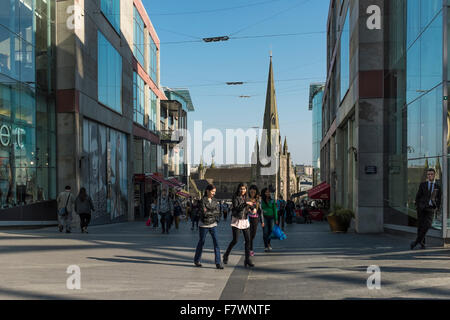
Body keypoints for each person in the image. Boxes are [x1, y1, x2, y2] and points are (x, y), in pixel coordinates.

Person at [223, 183, 254, 268]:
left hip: (244, 220)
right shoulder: (235, 197)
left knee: (248, 240)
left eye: (244, 189)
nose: (242, 190)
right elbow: (237, 208)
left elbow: (249, 206)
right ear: (238, 189)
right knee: (235, 240)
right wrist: (245, 203)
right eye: (241, 189)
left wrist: (252, 208)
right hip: (236, 220)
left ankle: (247, 259)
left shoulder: (246, 197)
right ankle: (226, 254)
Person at [411, 168, 442, 250]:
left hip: (431, 208)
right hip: (421, 208)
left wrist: (437, 209)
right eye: (428, 174)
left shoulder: (438, 186)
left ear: (434, 175)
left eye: (431, 174)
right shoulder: (423, 184)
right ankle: (422, 243)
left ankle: (416, 241)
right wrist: (418, 205)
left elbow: (439, 199)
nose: (430, 176)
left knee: (427, 225)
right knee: (420, 226)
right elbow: (418, 196)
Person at [194, 184, 224, 269]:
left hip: (213, 224)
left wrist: (210, 212)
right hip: (203, 224)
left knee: (216, 242)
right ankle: (197, 260)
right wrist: (212, 212)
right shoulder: (202, 201)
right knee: (201, 242)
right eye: (212, 191)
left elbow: (218, 212)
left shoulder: (215, 200)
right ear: (207, 191)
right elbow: (204, 213)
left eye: (214, 192)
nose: (214, 193)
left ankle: (218, 262)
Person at [248, 185, 264, 257]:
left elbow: (260, 211)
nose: (252, 192)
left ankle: (248, 244)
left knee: (253, 234)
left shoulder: (258, 200)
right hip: (247, 218)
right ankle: (250, 249)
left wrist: (262, 221)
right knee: (249, 234)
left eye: (254, 191)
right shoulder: (247, 199)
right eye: (251, 191)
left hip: (255, 218)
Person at [261, 188, 278, 252]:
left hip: (272, 217)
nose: (268, 193)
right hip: (264, 217)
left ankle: (268, 243)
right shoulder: (261, 200)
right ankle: (265, 245)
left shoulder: (272, 200)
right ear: (264, 193)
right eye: (266, 192)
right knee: (265, 232)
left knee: (271, 231)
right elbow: (261, 209)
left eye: (268, 192)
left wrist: (276, 219)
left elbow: (275, 209)